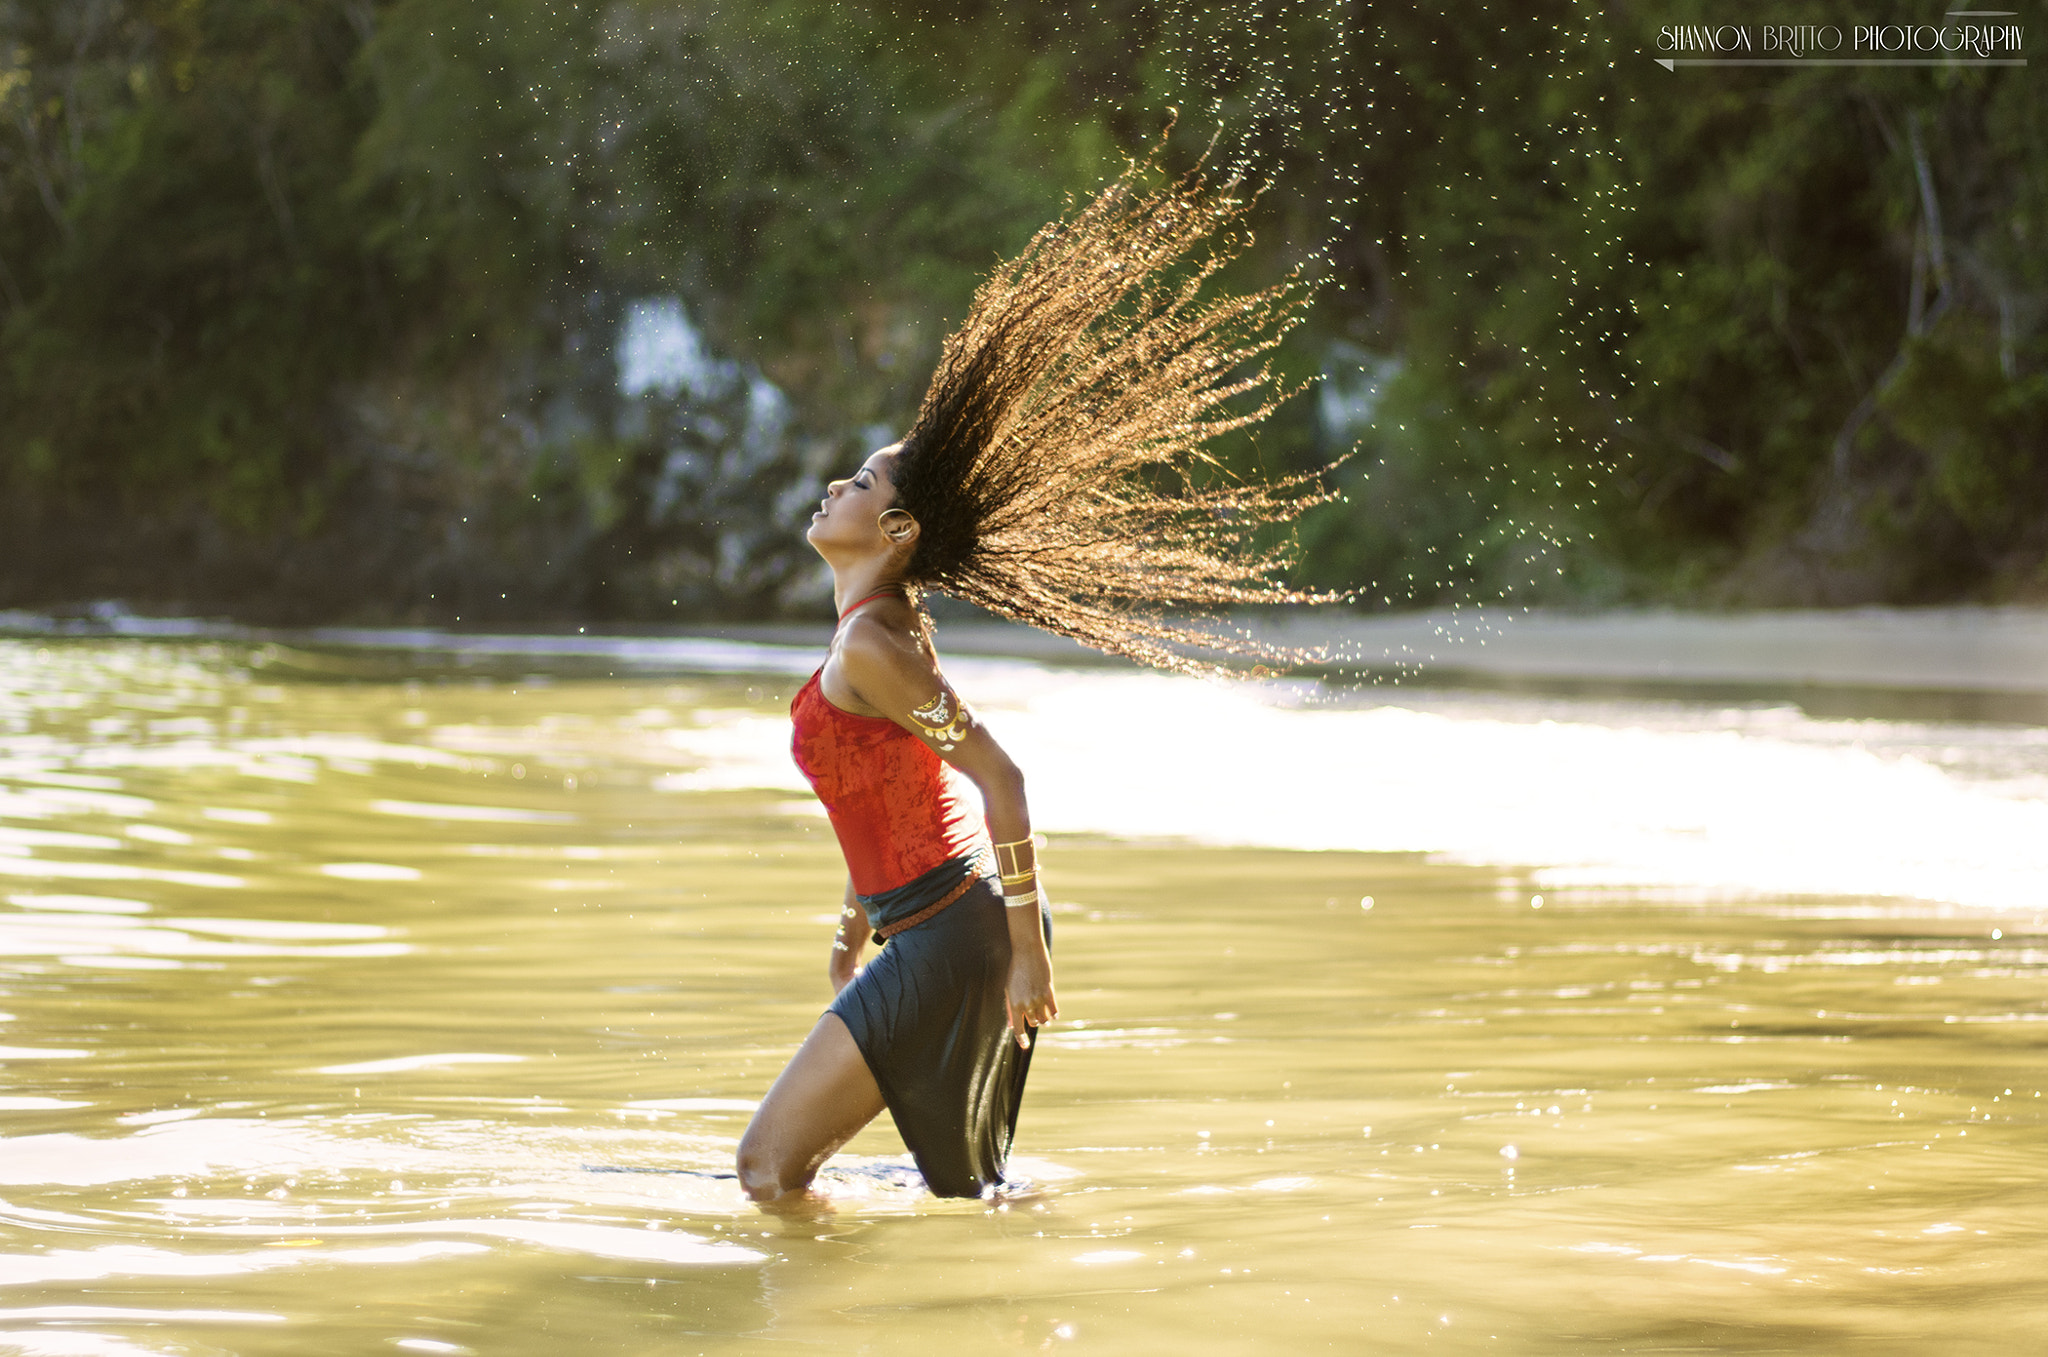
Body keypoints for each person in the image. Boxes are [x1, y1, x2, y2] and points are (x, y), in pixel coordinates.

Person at [734, 148, 1343, 1207]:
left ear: (895, 527)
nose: (836, 483)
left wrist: (1028, 959)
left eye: (862, 480)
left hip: (957, 933)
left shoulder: (873, 645)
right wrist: (848, 938)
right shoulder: (871, 637)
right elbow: (878, 793)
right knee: (940, 1188)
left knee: (767, 1167)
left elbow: (999, 779)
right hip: (931, 929)